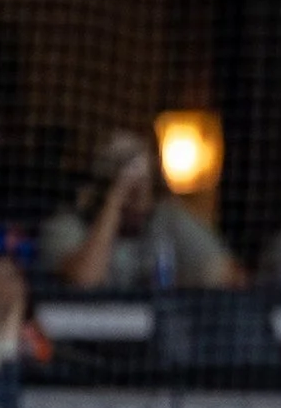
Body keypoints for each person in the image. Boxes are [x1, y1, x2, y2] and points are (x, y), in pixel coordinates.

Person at [42, 126, 241, 294]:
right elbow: (85, 282)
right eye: (131, 190)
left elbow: (228, 275)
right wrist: (116, 197)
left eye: (145, 185)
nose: (139, 201)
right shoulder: (67, 226)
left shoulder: (165, 217)